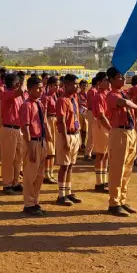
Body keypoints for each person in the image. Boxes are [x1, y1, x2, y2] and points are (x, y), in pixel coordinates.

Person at [105, 67, 137, 217]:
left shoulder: (124, 92)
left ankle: (122, 199)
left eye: (123, 77)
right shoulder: (112, 95)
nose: (123, 79)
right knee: (118, 169)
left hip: (129, 131)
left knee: (127, 169)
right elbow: (124, 103)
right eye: (120, 77)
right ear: (112, 80)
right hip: (119, 132)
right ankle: (114, 202)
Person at [20, 76, 52, 216]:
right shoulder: (27, 105)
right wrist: (30, 146)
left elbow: (43, 122)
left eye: (41, 88)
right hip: (32, 141)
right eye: (38, 88)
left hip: (41, 140)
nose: (41, 90)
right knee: (29, 175)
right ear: (30, 89)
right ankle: (28, 204)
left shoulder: (39, 104)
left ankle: (35, 201)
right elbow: (25, 127)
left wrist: (48, 137)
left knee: (39, 175)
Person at [55, 74, 83, 206]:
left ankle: (68, 191)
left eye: (77, 84)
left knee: (71, 165)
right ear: (66, 85)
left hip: (75, 134)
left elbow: (76, 117)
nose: (76, 86)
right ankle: (61, 195)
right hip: (66, 135)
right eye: (74, 84)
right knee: (64, 166)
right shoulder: (62, 100)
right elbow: (62, 121)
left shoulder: (74, 99)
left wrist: (80, 136)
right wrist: (65, 139)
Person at [0, 73, 25, 195]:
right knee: (8, 158)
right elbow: (19, 92)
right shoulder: (5, 93)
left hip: (18, 128)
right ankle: (7, 184)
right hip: (9, 128)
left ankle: (15, 181)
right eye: (17, 82)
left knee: (18, 158)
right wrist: (23, 82)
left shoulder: (18, 95)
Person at [91, 72, 111, 193]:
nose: (108, 82)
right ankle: (99, 182)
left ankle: (103, 179)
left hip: (105, 124)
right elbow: (101, 115)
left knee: (105, 153)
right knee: (100, 154)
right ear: (99, 83)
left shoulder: (106, 94)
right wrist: (110, 127)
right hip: (101, 125)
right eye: (105, 80)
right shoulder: (99, 95)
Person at [41, 76, 59, 184]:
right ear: (50, 86)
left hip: (54, 121)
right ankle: (46, 174)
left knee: (53, 151)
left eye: (58, 85)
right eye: (55, 85)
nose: (57, 87)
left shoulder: (55, 96)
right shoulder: (46, 97)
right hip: (49, 121)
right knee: (49, 150)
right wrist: (47, 129)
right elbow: (43, 115)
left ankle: (50, 172)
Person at [84, 78, 98, 161]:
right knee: (92, 133)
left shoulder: (92, 91)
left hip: (92, 112)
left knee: (93, 133)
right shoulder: (93, 91)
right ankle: (88, 153)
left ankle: (92, 152)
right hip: (92, 112)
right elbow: (93, 104)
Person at [78, 79, 89, 150]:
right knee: (80, 129)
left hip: (87, 114)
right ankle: (80, 143)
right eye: (83, 86)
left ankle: (83, 143)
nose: (84, 87)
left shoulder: (88, 94)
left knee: (86, 129)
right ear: (80, 86)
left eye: (86, 86)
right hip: (79, 114)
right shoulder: (77, 95)